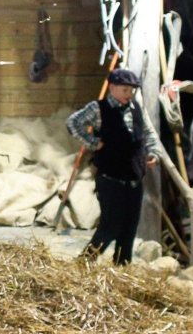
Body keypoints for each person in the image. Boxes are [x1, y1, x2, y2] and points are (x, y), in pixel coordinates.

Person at [65, 67, 164, 265]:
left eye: (132, 90)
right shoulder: (98, 108)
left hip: (134, 178)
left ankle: (121, 267)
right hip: (110, 177)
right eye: (125, 90)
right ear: (112, 88)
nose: (129, 94)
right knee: (111, 226)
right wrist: (93, 142)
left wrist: (154, 153)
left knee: (129, 228)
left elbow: (149, 133)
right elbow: (73, 123)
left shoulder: (136, 107)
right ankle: (84, 262)